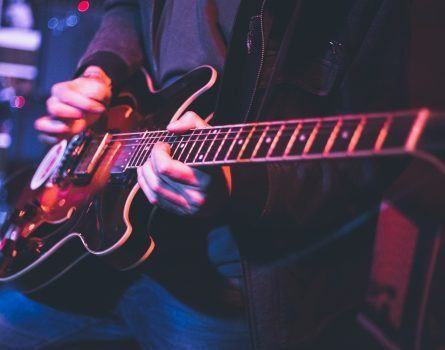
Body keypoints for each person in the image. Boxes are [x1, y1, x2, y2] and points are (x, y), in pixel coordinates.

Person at [0, 0, 410, 349]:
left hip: (226, 283)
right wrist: (99, 72)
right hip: (98, 231)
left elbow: (364, 166)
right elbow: (124, 7)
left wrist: (236, 187)